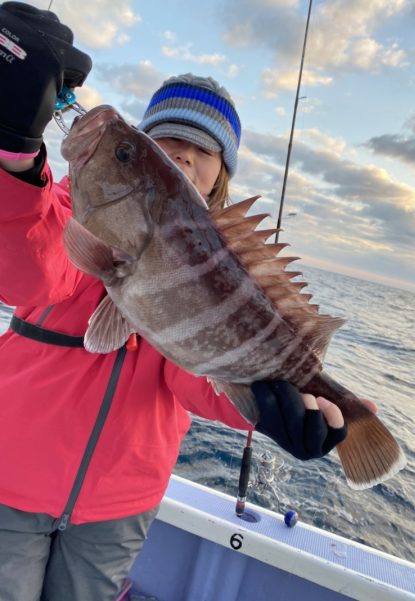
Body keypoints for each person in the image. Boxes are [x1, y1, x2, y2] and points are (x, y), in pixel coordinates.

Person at [0, 3, 348, 600]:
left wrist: (270, 410)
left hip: (119, 502)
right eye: (160, 143)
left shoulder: (225, 270)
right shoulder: (59, 210)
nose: (182, 154)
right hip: (10, 471)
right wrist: (12, 152)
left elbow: (196, 380)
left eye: (202, 149)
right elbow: (31, 272)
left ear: (219, 177)